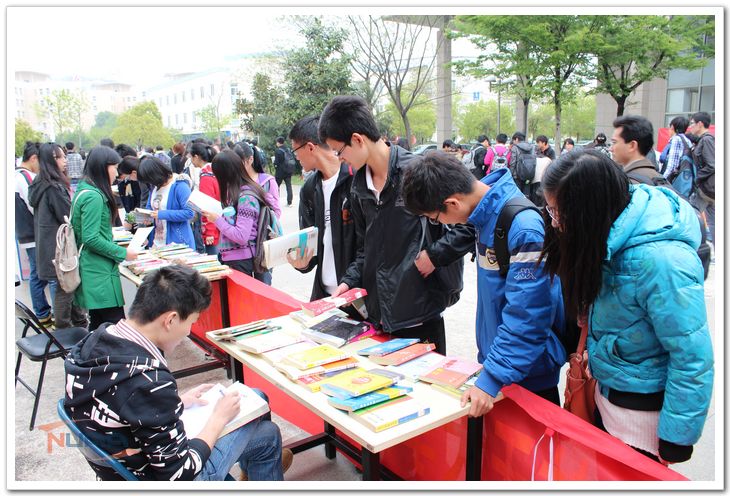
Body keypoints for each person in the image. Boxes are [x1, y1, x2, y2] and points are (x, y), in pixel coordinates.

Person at [540, 149, 713, 464]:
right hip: (608, 398)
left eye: (558, 212)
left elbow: (691, 356)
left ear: (588, 209)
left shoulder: (663, 260)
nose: (554, 223)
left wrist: (677, 437)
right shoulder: (608, 233)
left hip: (642, 421)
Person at [63, 264, 291, 481]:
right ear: (171, 320)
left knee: (257, 401)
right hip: (157, 477)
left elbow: (122, 401)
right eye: (191, 322)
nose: (189, 331)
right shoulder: (149, 380)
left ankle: (258, 469)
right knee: (266, 430)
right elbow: (180, 475)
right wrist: (218, 419)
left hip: (122, 462)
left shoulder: (93, 341)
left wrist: (176, 403)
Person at [401, 151, 567, 414]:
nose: (438, 223)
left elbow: (528, 317)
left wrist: (491, 377)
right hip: (504, 368)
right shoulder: (485, 216)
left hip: (529, 376)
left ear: (452, 203)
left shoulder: (523, 228)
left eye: (434, 218)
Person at [318, 95, 474, 355]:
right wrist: (349, 281)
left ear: (357, 139)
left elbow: (471, 217)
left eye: (339, 151)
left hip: (421, 316)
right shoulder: (358, 188)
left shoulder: (419, 171)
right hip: (379, 319)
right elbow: (366, 249)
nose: (339, 158)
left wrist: (435, 255)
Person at [287, 115, 356, 301]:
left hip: (356, 295)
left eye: (295, 151)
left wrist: (352, 281)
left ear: (310, 147)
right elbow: (312, 247)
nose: (296, 158)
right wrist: (302, 263)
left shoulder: (356, 180)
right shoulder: (309, 189)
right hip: (324, 296)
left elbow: (368, 246)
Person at [71, 146, 138, 331]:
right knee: (116, 329)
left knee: (99, 326)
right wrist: (123, 253)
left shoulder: (85, 190)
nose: (116, 173)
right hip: (98, 271)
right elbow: (91, 238)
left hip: (92, 268)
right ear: (103, 167)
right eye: (114, 167)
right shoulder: (94, 196)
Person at [28, 143, 89, 329]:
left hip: (48, 246)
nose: (65, 161)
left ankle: (77, 324)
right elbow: (68, 216)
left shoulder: (39, 183)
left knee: (66, 288)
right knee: (65, 289)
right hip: (59, 249)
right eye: (60, 157)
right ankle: (63, 331)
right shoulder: (53, 187)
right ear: (51, 160)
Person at [203, 149, 273, 284]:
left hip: (241, 261)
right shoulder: (238, 192)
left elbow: (241, 236)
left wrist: (217, 220)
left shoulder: (246, 198)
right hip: (236, 259)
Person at [15, 142, 53, 326]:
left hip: (27, 234)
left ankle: (42, 313)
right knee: (40, 276)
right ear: (34, 158)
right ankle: (42, 313)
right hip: (35, 234)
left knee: (37, 274)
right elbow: (35, 207)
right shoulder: (26, 177)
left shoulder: (15, 176)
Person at [138, 156, 196, 250]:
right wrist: (146, 217)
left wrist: (161, 214)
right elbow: (150, 208)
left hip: (177, 242)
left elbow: (190, 212)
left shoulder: (179, 185)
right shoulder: (154, 187)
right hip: (157, 241)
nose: (149, 183)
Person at [687, 111, 715, 246]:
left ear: (700, 124)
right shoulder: (703, 140)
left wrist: (697, 178)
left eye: (692, 123)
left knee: (690, 215)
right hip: (709, 189)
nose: (690, 126)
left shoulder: (707, 140)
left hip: (706, 189)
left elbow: (712, 165)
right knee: (713, 222)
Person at [233, 141, 281, 218]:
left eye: (239, 163)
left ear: (250, 159)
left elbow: (276, 211)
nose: (235, 167)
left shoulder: (268, 181)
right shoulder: (234, 182)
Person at [610, 115, 660, 181]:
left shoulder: (628, 183)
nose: (610, 149)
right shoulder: (659, 178)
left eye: (614, 142)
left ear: (632, 145)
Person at [188, 142, 218, 253]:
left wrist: (209, 231)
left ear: (196, 157)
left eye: (191, 157)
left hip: (214, 226)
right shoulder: (214, 169)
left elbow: (208, 205)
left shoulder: (206, 176)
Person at [273, 137, 294, 207]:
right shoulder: (288, 149)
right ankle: (289, 202)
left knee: (276, 186)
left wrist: (274, 165)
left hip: (280, 172)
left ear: (278, 142)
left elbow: (276, 162)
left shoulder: (278, 151)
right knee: (288, 186)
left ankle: (276, 202)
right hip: (288, 171)